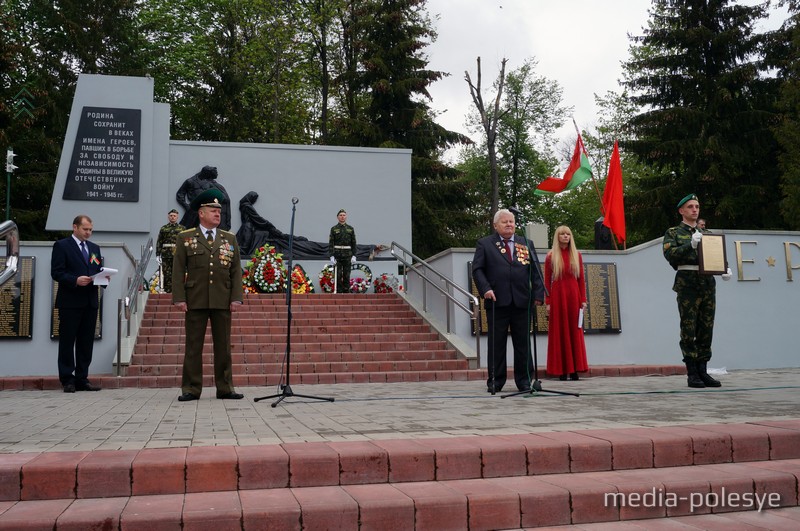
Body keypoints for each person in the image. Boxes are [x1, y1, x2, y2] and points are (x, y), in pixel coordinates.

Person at [172, 189, 244, 401]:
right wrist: (179, 298)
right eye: (213, 210)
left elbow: (235, 270)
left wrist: (236, 297)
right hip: (196, 298)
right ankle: (191, 388)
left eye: (218, 211)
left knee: (223, 346)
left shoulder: (229, 239)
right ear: (201, 213)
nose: (217, 214)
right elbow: (178, 270)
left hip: (222, 298)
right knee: (193, 346)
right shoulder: (185, 238)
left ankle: (225, 387)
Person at [472, 209, 545, 392]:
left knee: (523, 343)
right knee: (497, 343)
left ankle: (524, 381)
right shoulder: (485, 244)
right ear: (495, 225)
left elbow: (535, 271)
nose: (509, 224)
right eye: (504, 222)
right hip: (497, 301)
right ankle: (496, 381)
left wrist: (537, 294)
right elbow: (478, 269)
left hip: (522, 301)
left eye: (511, 221)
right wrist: (486, 289)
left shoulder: (526, 243)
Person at [663, 193, 731, 388]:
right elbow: (670, 255)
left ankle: (703, 370)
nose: (695, 209)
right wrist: (690, 244)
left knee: (706, 329)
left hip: (707, 284)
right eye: (691, 206)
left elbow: (715, 257)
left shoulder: (707, 234)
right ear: (681, 211)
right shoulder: (673, 232)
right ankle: (692, 372)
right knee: (689, 329)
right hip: (688, 285)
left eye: (697, 206)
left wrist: (724, 269)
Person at [51, 215, 106, 392]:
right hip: (70, 301)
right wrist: (75, 280)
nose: (88, 233)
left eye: (90, 229)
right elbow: (57, 272)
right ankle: (67, 379)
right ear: (75, 227)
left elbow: (96, 269)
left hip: (90, 301)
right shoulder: (62, 246)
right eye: (85, 229)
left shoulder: (94, 248)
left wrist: (104, 278)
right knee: (67, 341)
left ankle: (82, 378)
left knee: (86, 342)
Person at [544, 226, 589, 381]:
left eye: (568, 234)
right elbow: (546, 282)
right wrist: (548, 302)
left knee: (574, 332)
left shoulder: (577, 255)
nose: (565, 236)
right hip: (557, 297)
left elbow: (581, 279)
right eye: (562, 234)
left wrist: (583, 300)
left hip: (573, 298)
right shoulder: (550, 256)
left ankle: (575, 370)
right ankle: (562, 371)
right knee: (560, 332)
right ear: (557, 237)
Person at [175, 165, 232, 230]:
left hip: (205, 210)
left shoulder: (211, 183)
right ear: (207, 174)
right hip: (194, 210)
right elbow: (180, 194)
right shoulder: (190, 181)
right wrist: (186, 206)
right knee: (186, 230)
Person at [328, 209, 357, 293]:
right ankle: (339, 292)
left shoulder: (350, 229)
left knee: (347, 275)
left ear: (346, 217)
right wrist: (331, 256)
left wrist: (354, 255)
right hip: (337, 254)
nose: (342, 217)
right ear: (337, 217)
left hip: (348, 254)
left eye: (344, 215)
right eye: (340, 215)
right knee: (338, 274)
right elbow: (331, 243)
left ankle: (346, 291)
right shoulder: (334, 229)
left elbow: (354, 243)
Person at [155, 209, 184, 292]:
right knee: (167, 273)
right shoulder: (164, 228)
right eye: (171, 216)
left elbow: (185, 242)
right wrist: (158, 254)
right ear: (168, 217)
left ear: (177, 217)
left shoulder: (182, 228)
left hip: (178, 253)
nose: (172, 217)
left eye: (174, 216)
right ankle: (168, 291)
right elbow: (159, 241)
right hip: (166, 254)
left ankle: (177, 291)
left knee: (177, 273)